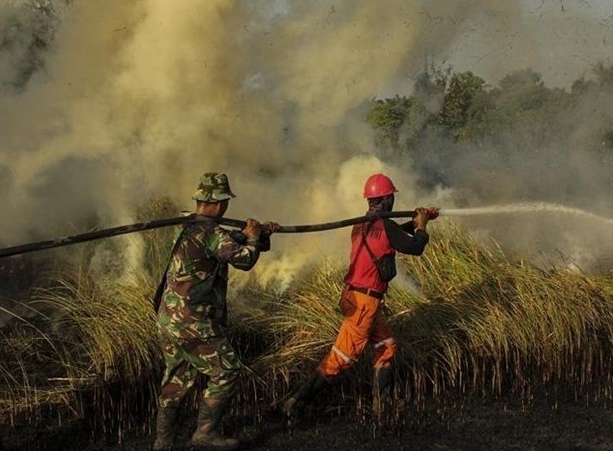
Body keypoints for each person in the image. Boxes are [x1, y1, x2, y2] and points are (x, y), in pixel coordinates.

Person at [282, 172, 437, 419]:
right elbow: (414, 246)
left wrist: (420, 219)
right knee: (341, 358)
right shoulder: (384, 225)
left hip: (356, 296)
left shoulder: (361, 224)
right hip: (364, 302)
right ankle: (297, 402)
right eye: (391, 198)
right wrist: (421, 227)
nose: (392, 202)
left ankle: (383, 407)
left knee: (386, 346)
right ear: (387, 199)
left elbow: (392, 233)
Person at [153, 172, 276, 451]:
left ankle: (164, 442)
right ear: (221, 204)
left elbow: (223, 245)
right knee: (227, 370)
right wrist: (253, 239)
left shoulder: (186, 227)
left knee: (176, 378)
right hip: (192, 322)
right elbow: (243, 259)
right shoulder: (210, 233)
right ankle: (205, 435)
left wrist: (258, 235)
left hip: (169, 319)